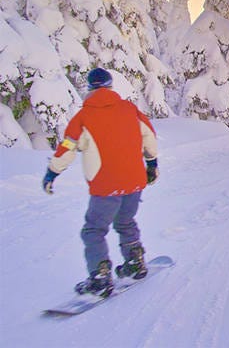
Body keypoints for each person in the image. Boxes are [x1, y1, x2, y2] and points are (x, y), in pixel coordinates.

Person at [41, 68, 159, 297]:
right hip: (134, 181)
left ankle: (100, 276)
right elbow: (149, 135)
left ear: (90, 88)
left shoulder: (83, 117)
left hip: (106, 186)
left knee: (94, 230)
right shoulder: (129, 109)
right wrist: (152, 164)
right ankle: (135, 262)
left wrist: (52, 173)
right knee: (126, 222)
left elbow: (67, 147)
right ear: (110, 85)